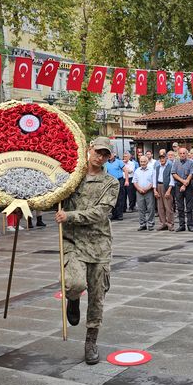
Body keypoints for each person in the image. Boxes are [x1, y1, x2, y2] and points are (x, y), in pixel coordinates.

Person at [56, 137, 120, 365]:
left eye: (104, 154)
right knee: (75, 284)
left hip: (99, 245)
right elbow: (54, 199)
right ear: (88, 150)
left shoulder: (111, 183)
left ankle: (91, 340)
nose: (100, 156)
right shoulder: (71, 179)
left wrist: (70, 216)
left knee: (97, 297)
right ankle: (72, 300)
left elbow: (100, 213)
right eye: (97, 151)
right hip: (73, 242)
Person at [171, 147, 193, 232]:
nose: (182, 155)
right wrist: (182, 181)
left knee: (189, 207)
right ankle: (182, 225)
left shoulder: (191, 163)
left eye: (184, 153)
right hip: (178, 185)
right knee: (180, 206)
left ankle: (190, 225)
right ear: (178, 154)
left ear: (187, 154)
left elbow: (191, 174)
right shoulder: (176, 163)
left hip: (188, 186)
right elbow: (174, 173)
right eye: (180, 153)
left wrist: (185, 183)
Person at [133, 155, 156, 231]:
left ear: (147, 162)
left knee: (150, 208)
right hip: (139, 192)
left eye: (144, 161)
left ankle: (150, 224)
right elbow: (134, 181)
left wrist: (146, 189)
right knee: (140, 209)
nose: (142, 163)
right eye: (141, 162)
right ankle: (142, 224)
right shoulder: (137, 170)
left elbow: (153, 182)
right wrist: (139, 189)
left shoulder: (152, 170)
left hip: (149, 191)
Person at [154, 152, 174, 231]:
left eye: (163, 158)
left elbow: (172, 179)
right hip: (158, 186)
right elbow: (154, 178)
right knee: (160, 207)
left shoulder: (170, 167)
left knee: (168, 207)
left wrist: (169, 190)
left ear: (166, 158)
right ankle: (163, 223)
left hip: (167, 187)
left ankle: (170, 224)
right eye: (160, 158)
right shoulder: (157, 167)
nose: (162, 159)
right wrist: (155, 190)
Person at [104, 151, 126, 220]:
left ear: (114, 155)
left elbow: (126, 170)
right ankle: (114, 214)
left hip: (119, 180)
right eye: (108, 154)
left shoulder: (119, 162)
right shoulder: (106, 163)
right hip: (110, 182)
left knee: (120, 198)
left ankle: (120, 214)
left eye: (111, 154)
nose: (109, 156)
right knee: (112, 198)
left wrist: (127, 180)